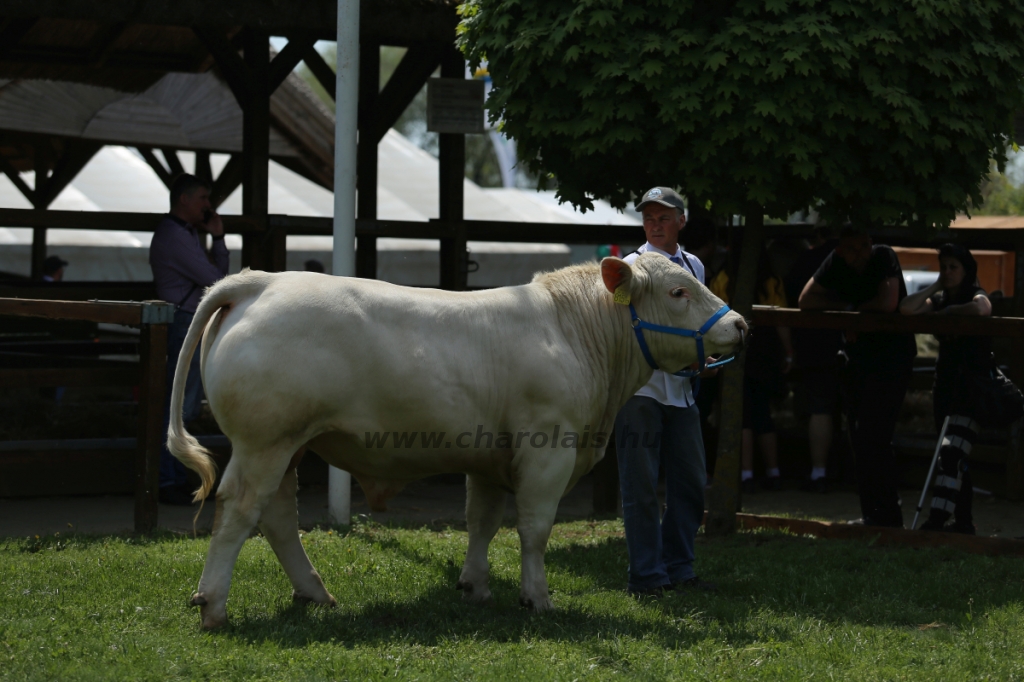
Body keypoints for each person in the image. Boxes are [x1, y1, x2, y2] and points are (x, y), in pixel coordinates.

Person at [614, 186, 715, 597]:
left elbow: (698, 324)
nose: (655, 225)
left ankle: (679, 567)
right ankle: (647, 576)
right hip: (640, 392)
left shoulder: (695, 266)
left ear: (681, 221)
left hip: (683, 392)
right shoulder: (627, 268)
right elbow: (620, 328)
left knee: (690, 484)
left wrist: (701, 355)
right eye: (649, 218)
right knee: (640, 489)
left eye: (663, 218)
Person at [799, 228, 916, 527]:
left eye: (865, 246)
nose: (861, 253)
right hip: (857, 359)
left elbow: (888, 302)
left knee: (878, 436)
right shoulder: (834, 262)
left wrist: (853, 313)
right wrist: (847, 310)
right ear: (840, 250)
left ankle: (888, 515)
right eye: (853, 248)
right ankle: (871, 514)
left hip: (891, 359)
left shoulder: (883, 256)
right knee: (860, 437)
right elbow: (806, 299)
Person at [899, 244, 992, 534]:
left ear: (966, 271)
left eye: (954, 267)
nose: (948, 272)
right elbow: (907, 309)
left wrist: (951, 312)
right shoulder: (938, 298)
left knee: (952, 454)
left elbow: (983, 309)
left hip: (971, 387)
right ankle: (963, 521)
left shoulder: (974, 295)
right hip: (946, 385)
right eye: (944, 267)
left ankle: (938, 519)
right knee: (953, 456)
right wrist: (936, 286)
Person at [149, 174, 229, 506]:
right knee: (180, 406)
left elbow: (217, 281)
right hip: (185, 322)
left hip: (187, 320)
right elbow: (216, 281)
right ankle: (168, 480)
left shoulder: (183, 234)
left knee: (182, 404)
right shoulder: (176, 236)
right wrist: (219, 238)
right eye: (203, 198)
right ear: (184, 200)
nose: (208, 206)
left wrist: (216, 240)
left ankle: (174, 478)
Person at [783, 227, 843, 493]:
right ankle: (852, 469)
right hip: (847, 341)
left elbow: (790, 296)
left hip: (814, 344)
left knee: (819, 408)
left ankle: (819, 471)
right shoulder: (854, 258)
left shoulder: (806, 261)